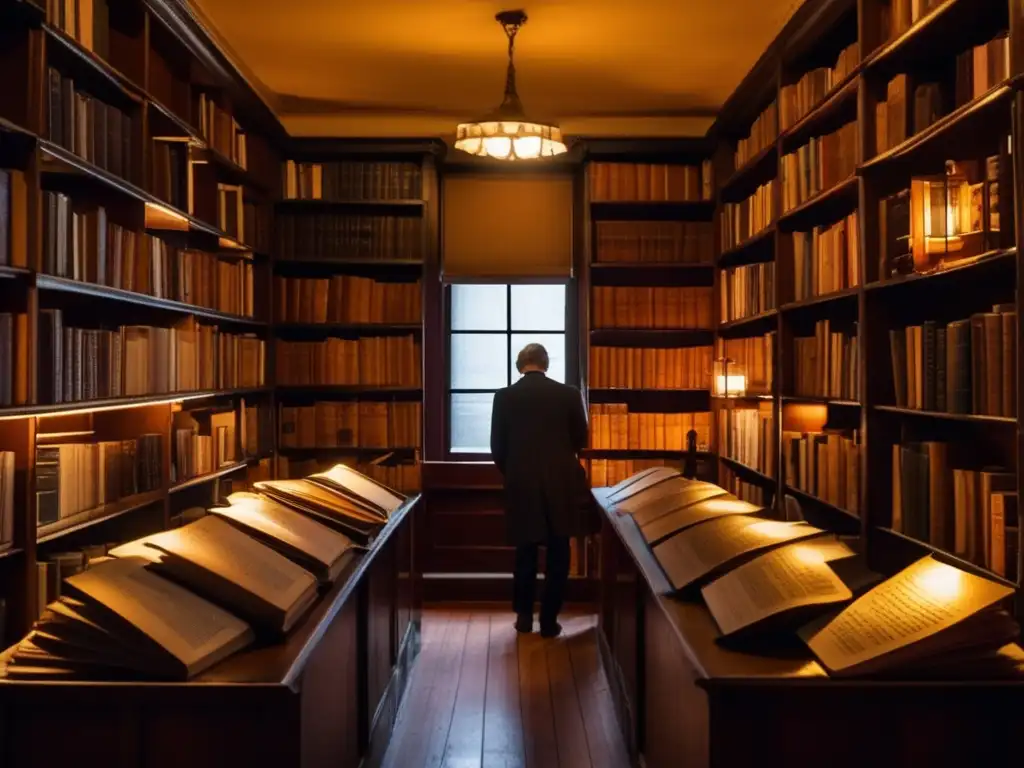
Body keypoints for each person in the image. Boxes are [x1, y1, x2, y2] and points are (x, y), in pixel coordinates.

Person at [490, 343, 592, 638]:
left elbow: (498, 447)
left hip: (522, 483)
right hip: (561, 483)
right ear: (545, 364)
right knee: (559, 553)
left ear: (519, 365)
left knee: (526, 551)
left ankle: (523, 617)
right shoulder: (569, 394)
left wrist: (515, 472)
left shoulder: (504, 397)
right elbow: (580, 440)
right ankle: (549, 621)